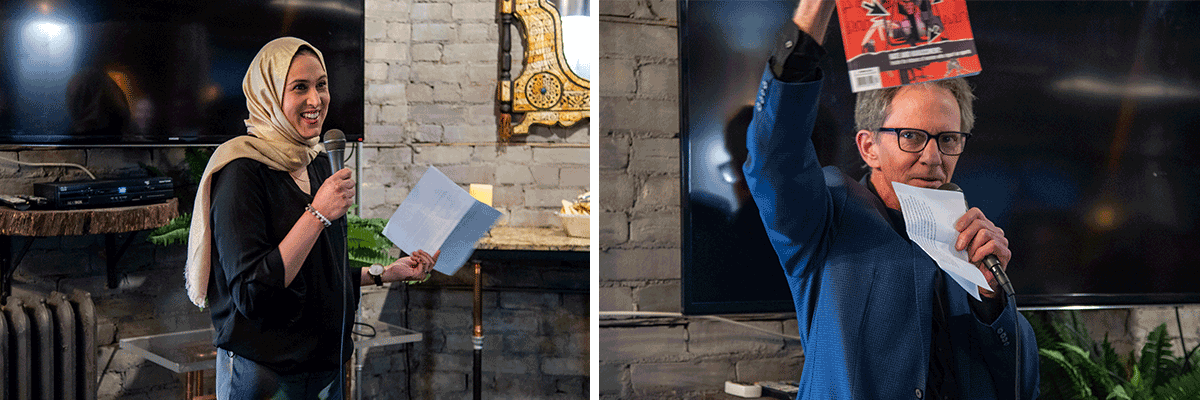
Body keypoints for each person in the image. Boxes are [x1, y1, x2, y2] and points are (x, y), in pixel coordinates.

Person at [743, 1, 1039, 399]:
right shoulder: (828, 213)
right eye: (911, 136)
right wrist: (814, 12)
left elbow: (1021, 384)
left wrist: (991, 298)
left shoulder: (970, 238)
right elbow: (774, 157)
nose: (933, 157)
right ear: (868, 148)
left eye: (948, 140)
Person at [183, 37, 439, 399]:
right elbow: (253, 293)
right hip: (265, 377)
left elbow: (317, 273)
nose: (316, 100)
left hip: (325, 373)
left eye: (321, 85)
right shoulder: (241, 171)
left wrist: (386, 274)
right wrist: (317, 214)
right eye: (299, 87)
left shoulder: (317, 163)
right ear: (268, 94)